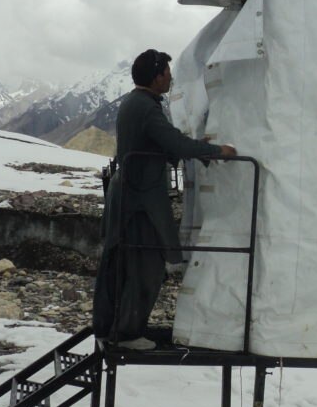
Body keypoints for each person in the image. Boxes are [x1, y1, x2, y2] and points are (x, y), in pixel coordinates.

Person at [93, 49, 237, 350]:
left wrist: (194, 146)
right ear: (156, 76)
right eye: (167, 72)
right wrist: (216, 152)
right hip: (140, 199)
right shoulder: (146, 107)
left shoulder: (136, 103)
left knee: (122, 262)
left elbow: (158, 142)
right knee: (145, 264)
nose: (171, 77)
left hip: (129, 193)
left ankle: (110, 328)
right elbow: (171, 141)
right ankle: (128, 334)